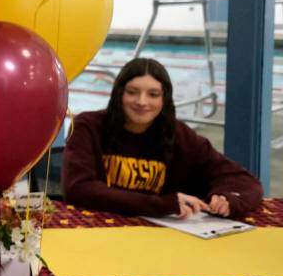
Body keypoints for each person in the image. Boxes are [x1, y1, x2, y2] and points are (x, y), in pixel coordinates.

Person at [62, 57, 262, 219]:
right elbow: (78, 188)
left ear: (164, 99)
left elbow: (245, 182)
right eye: (132, 92)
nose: (142, 102)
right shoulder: (88, 127)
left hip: (161, 239)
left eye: (153, 94)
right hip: (97, 230)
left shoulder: (180, 136)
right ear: (118, 94)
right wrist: (164, 204)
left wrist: (227, 198)